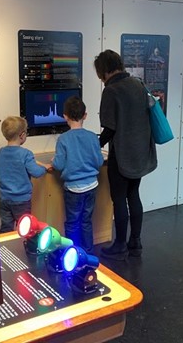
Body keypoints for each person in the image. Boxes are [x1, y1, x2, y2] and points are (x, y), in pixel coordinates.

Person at [94, 49, 157, 260]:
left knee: (119, 199)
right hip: (139, 152)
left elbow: (110, 128)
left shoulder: (111, 91)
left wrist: (95, 145)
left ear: (104, 71)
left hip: (121, 155)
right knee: (134, 195)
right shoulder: (138, 84)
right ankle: (135, 242)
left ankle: (120, 245)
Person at [51, 96, 104, 253]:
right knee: (86, 221)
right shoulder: (92, 137)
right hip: (91, 186)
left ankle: (72, 253)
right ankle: (88, 253)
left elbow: (59, 165)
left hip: (73, 189)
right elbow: (99, 161)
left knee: (72, 222)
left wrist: (54, 160)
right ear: (85, 115)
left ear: (65, 116)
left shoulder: (63, 139)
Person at [0, 116, 48, 233]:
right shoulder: (25, 154)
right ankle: (25, 246)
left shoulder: (0, 153)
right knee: (25, 229)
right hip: (22, 201)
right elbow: (36, 172)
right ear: (22, 135)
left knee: (6, 228)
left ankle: (4, 244)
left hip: (5, 199)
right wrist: (45, 167)